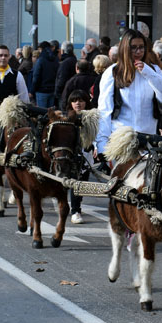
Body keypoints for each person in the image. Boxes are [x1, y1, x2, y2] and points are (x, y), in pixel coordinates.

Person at [96, 30, 162, 154]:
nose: (138, 52)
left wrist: (150, 74)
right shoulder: (112, 72)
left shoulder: (153, 69)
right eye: (133, 48)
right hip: (122, 143)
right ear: (125, 49)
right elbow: (104, 112)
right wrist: (102, 146)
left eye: (141, 47)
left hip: (148, 143)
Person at [65, 90, 94, 224]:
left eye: (81, 101)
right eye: (75, 101)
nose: (78, 103)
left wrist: (96, 147)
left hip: (86, 155)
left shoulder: (92, 118)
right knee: (72, 182)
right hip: (69, 156)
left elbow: (97, 135)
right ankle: (75, 210)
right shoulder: (65, 119)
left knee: (82, 182)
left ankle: (77, 206)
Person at [30, 41, 60, 108]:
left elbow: (36, 76)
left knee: (42, 113)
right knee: (51, 114)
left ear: (41, 49)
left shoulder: (40, 60)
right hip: (52, 90)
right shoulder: (55, 59)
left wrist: (32, 91)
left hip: (41, 90)